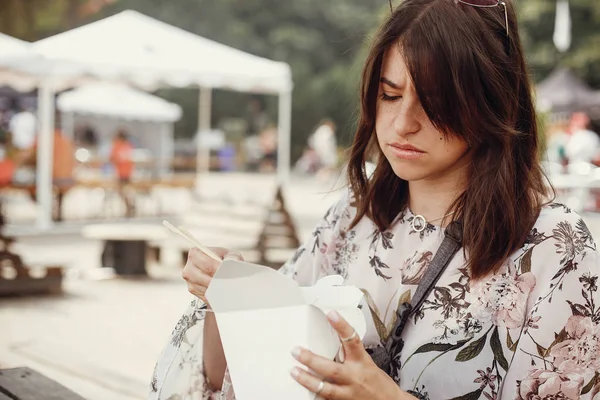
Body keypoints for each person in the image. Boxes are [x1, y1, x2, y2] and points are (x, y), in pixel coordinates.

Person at [151, 1, 600, 399]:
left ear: (490, 103)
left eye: (435, 102)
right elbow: (226, 380)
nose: (403, 123)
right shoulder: (351, 219)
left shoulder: (554, 250)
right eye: (390, 95)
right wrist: (228, 300)